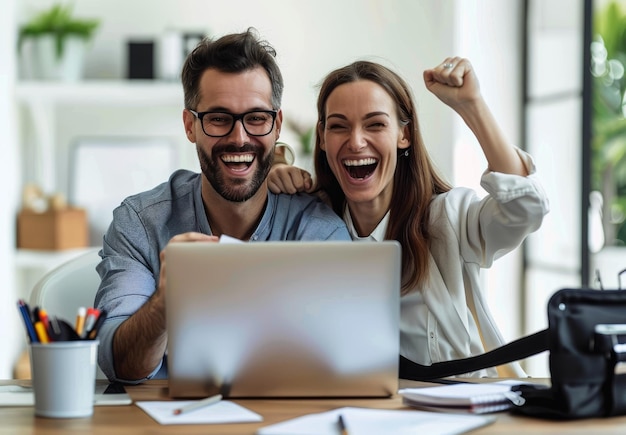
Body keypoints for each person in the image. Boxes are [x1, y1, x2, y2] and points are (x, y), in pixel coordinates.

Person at [94, 29, 351, 384]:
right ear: (190, 125)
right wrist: (167, 302)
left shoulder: (316, 229)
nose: (239, 137)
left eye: (256, 118)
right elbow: (119, 364)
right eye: (218, 118)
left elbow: (343, 362)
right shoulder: (141, 223)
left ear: (276, 126)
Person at [269, 58, 549, 377]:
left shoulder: (450, 219)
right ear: (322, 137)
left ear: (405, 135)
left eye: (375, 124)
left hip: (461, 414)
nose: (356, 141)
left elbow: (526, 206)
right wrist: (273, 178)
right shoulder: (310, 226)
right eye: (338, 126)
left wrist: (472, 105)